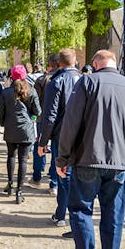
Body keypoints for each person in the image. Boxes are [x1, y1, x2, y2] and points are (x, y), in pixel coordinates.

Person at [56, 49, 125, 249]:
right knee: (113, 214)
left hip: (87, 158)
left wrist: (62, 158)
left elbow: (70, 123)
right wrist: (122, 139)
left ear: (95, 64)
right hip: (118, 161)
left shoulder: (87, 83)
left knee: (81, 210)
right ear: (113, 63)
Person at [37, 48, 81, 228]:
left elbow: (50, 115)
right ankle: (66, 214)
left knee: (63, 175)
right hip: (82, 134)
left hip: (61, 135)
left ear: (58, 63)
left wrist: (42, 141)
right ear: (75, 60)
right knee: (74, 175)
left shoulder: (56, 82)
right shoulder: (86, 80)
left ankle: (66, 215)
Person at [0, 64, 41, 204]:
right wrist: (32, 117)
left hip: (11, 128)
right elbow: (38, 111)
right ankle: (19, 191)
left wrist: (5, 123)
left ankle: (10, 185)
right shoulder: (31, 91)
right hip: (26, 130)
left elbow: (1, 112)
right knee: (23, 160)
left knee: (11, 156)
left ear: (11, 76)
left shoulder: (5, 92)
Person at [29, 53, 60, 192]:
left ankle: (36, 176)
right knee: (56, 150)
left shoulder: (42, 79)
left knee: (40, 145)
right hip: (59, 120)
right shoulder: (63, 79)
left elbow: (34, 101)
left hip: (42, 118)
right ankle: (54, 183)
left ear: (49, 65)